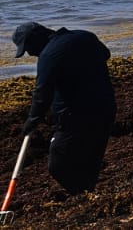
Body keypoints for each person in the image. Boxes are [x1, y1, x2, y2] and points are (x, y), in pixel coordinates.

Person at [12, 22, 115, 194]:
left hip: (76, 117)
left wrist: (32, 120)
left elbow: (42, 93)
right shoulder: (84, 36)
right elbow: (105, 54)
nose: (30, 53)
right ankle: (89, 194)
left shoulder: (48, 55)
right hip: (106, 107)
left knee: (58, 164)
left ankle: (81, 195)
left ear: (36, 39)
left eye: (28, 48)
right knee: (89, 159)